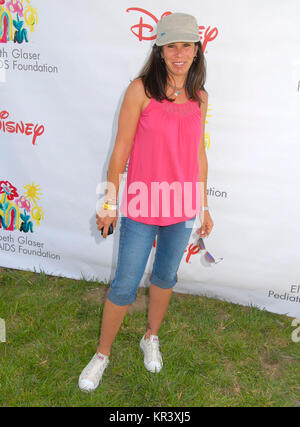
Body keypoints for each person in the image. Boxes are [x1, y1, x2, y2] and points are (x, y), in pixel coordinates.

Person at [78, 12, 214, 392]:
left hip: (181, 205)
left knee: (166, 277)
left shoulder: (199, 97)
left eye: (186, 45)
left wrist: (203, 205)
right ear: (160, 48)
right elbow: (120, 151)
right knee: (124, 285)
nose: (179, 53)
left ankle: (150, 336)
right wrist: (109, 201)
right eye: (172, 45)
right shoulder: (140, 90)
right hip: (141, 203)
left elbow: (198, 155)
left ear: (196, 49)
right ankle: (102, 354)